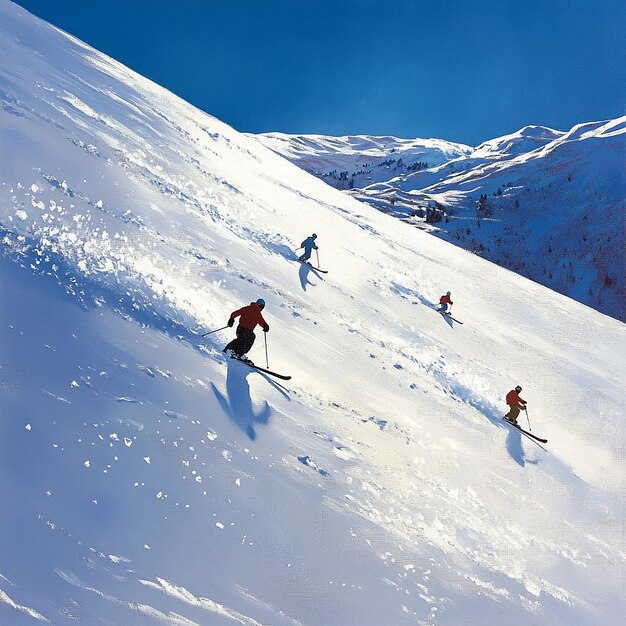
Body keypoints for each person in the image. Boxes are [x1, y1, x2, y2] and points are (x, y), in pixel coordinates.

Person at [223, 298, 269, 363]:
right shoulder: (258, 313)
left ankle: (239, 352)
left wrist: (232, 319)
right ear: (262, 306)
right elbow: (261, 321)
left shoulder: (247, 308)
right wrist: (265, 326)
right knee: (245, 339)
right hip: (245, 329)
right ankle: (230, 349)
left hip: (241, 328)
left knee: (246, 338)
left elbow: (236, 313)